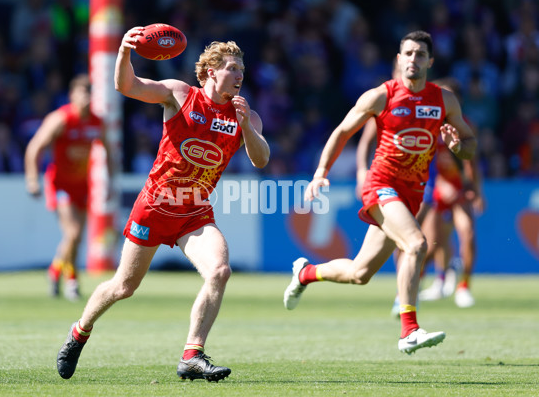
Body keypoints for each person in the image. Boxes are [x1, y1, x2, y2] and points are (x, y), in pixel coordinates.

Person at [56, 27, 269, 382]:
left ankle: (192, 355)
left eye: (242, 71)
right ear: (210, 72)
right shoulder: (180, 94)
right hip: (155, 206)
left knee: (219, 271)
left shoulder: (245, 114)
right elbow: (128, 86)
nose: (239, 76)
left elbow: (261, 160)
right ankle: (80, 330)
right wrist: (125, 50)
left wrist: (247, 126)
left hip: (195, 210)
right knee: (124, 287)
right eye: (232, 69)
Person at [283, 31, 476, 354]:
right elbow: (343, 132)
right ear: (399, 59)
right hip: (381, 185)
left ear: (430, 61)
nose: (413, 59)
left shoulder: (444, 100)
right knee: (416, 244)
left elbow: (470, 145)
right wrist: (320, 173)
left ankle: (306, 273)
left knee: (360, 273)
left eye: (420, 54)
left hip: (411, 194)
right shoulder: (381, 96)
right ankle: (409, 330)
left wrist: (459, 146)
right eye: (408, 53)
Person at [24, 74, 112, 301]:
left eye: (90, 93)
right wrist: (32, 179)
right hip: (60, 184)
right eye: (82, 93)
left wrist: (109, 181)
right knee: (72, 233)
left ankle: (54, 271)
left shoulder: (96, 121)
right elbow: (35, 148)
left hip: (83, 185)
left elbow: (109, 152)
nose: (86, 98)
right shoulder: (61, 119)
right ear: (72, 95)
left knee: (77, 238)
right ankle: (72, 282)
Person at [418, 78, 485, 308]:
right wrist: (437, 185)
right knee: (430, 244)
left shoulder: (466, 125)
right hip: (436, 190)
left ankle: (463, 287)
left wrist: (476, 191)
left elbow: (472, 162)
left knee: (468, 234)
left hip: (459, 191)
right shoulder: (426, 124)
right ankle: (419, 284)